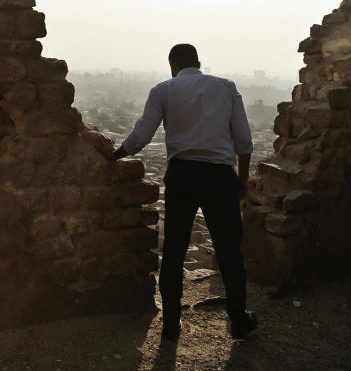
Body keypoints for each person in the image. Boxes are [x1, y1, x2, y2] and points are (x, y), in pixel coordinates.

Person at [111, 43, 258, 341]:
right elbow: (244, 141)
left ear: (172, 65)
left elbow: (140, 137)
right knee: (229, 250)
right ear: (199, 63)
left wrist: (112, 156)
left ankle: (170, 324)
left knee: (175, 250)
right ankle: (239, 319)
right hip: (219, 177)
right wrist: (242, 180)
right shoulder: (227, 88)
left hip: (181, 176)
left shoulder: (163, 90)